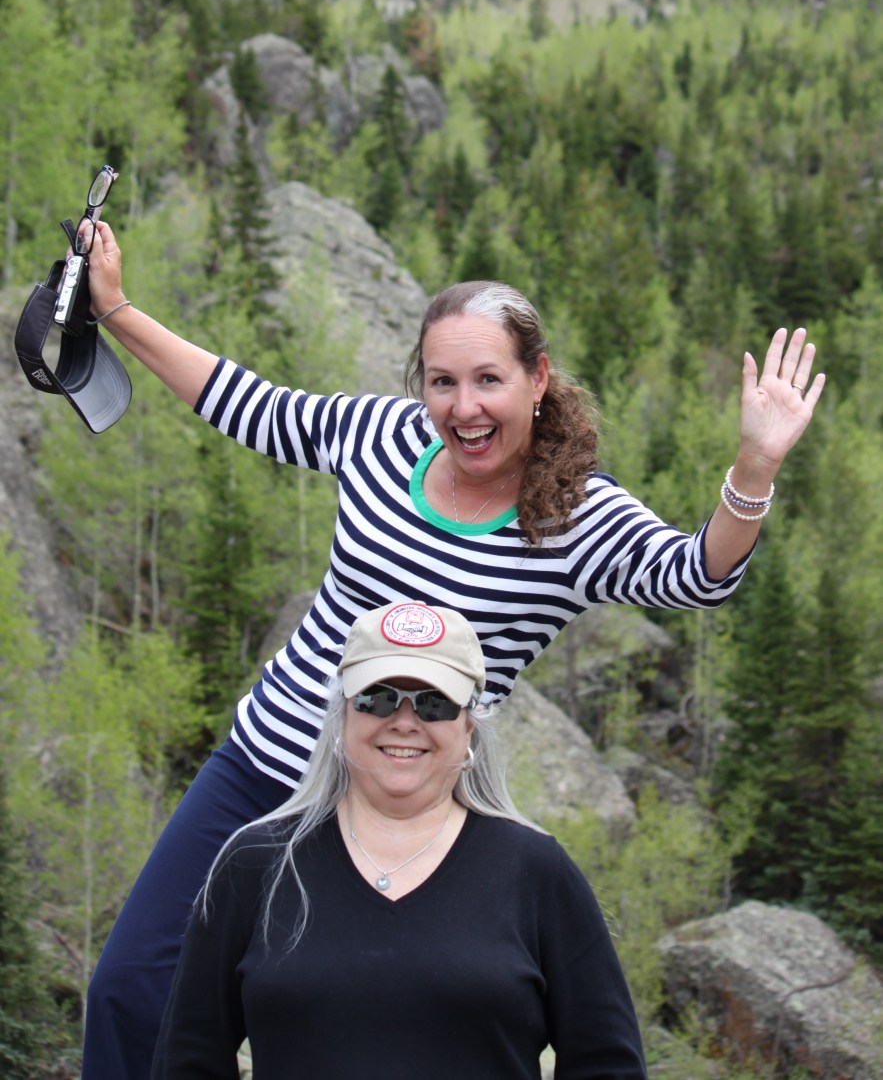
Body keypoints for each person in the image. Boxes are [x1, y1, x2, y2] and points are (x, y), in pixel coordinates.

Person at [81, 220, 825, 1078]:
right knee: (130, 991)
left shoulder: (574, 518)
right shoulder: (381, 437)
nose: (462, 408)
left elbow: (695, 574)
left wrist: (754, 466)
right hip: (258, 773)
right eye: (442, 381)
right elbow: (246, 404)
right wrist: (116, 309)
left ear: (537, 379)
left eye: (487, 380)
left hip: (411, 811)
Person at [150, 601, 649, 1080]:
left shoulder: (538, 872)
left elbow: (607, 1063)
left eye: (434, 704)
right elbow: (187, 1059)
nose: (405, 721)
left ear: (468, 728)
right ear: (342, 718)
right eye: (378, 696)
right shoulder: (256, 863)